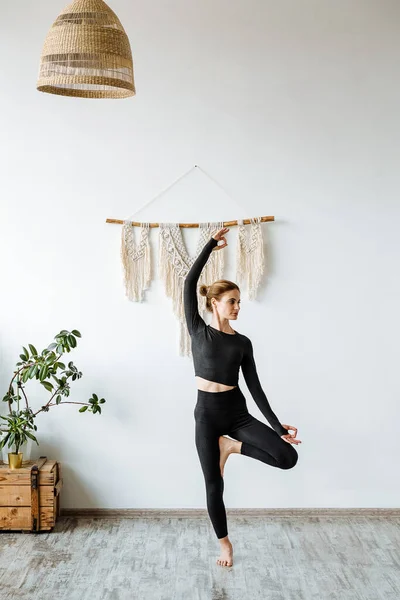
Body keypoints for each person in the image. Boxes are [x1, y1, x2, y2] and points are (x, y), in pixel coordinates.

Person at [183, 226, 301, 568]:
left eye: (238, 301)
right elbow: (189, 283)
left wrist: (277, 427)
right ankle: (225, 545)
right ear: (215, 304)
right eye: (232, 301)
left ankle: (231, 446)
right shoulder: (197, 330)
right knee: (213, 484)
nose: (237, 307)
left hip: (236, 413)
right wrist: (209, 245)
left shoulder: (242, 343)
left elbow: (255, 387)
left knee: (286, 458)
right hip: (206, 415)